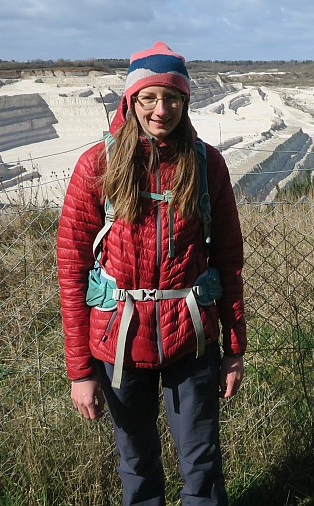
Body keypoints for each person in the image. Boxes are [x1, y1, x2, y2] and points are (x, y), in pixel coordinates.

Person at [57, 41, 246, 506]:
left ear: (185, 101)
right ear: (131, 101)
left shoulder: (206, 164)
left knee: (201, 462)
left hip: (192, 338)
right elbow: (71, 271)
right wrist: (80, 371)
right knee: (136, 464)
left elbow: (228, 260)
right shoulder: (96, 165)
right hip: (119, 339)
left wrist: (234, 349)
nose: (162, 110)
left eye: (173, 98)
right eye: (149, 98)